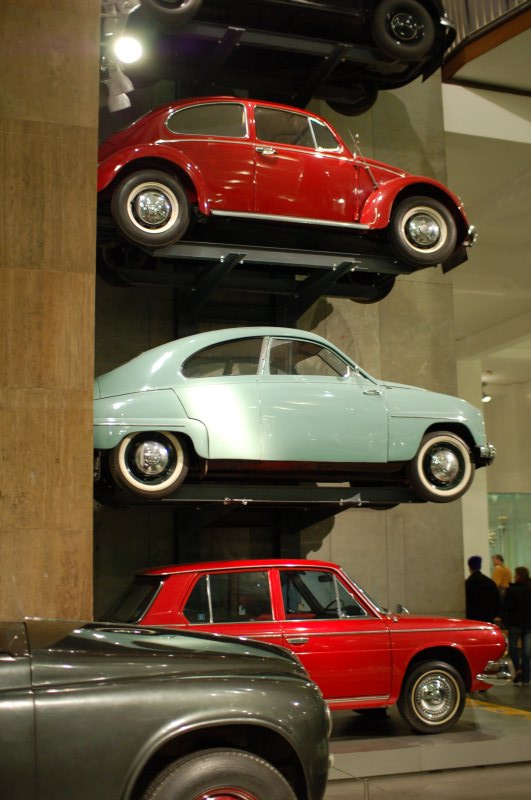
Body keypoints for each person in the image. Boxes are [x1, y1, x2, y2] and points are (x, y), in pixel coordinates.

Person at [502, 566, 531, 685]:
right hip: (529, 625)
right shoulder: (529, 589)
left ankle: (518, 670)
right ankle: (526, 678)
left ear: (518, 576)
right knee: (526, 651)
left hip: (515, 624)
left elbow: (506, 607)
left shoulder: (512, 590)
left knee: (513, 648)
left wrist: (506, 622)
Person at [465, 555, 501, 623]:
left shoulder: (468, 583)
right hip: (488, 617)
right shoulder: (489, 582)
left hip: (473, 618)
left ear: (469, 567)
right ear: (480, 566)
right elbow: (496, 599)